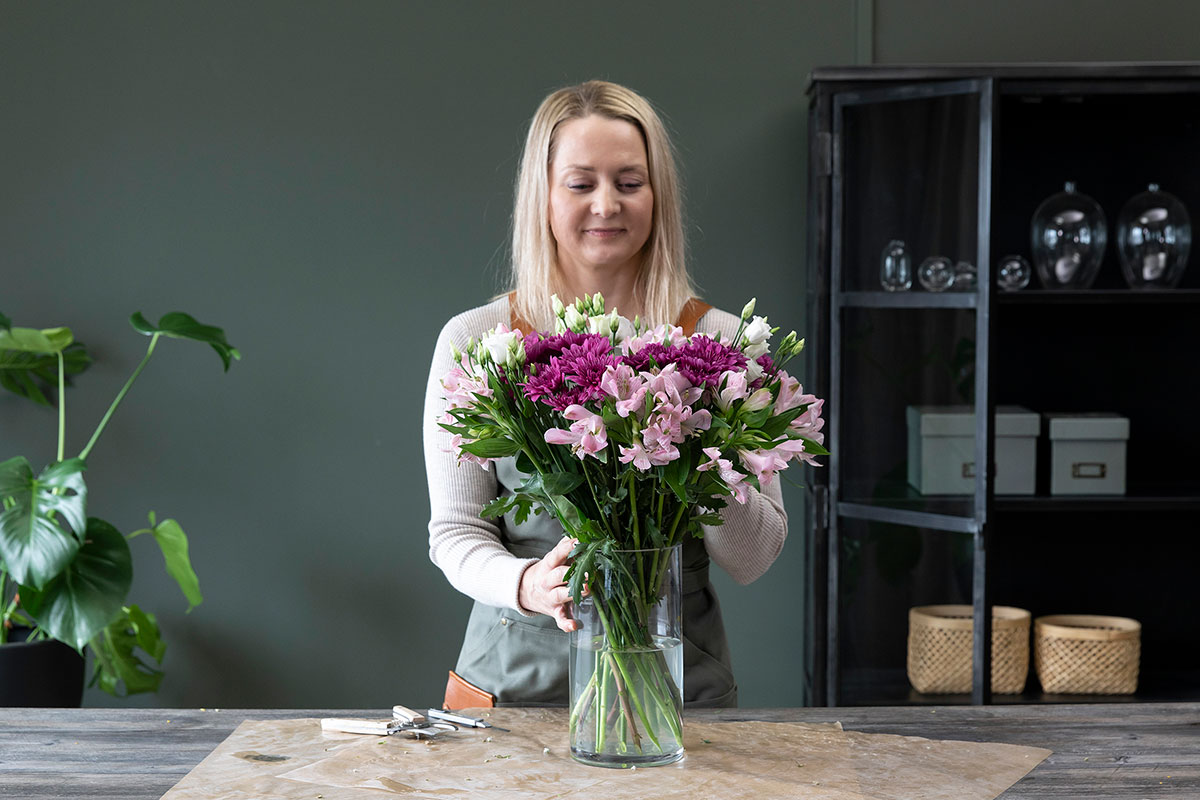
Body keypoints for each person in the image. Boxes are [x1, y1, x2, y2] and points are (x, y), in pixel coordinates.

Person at [422, 80, 787, 708]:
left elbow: (753, 556)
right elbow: (455, 533)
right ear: (543, 195)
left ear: (658, 195)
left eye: (629, 182)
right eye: (581, 182)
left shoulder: (724, 343)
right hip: (512, 686)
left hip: (676, 686)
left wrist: (706, 439)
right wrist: (528, 582)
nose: (606, 204)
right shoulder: (477, 341)